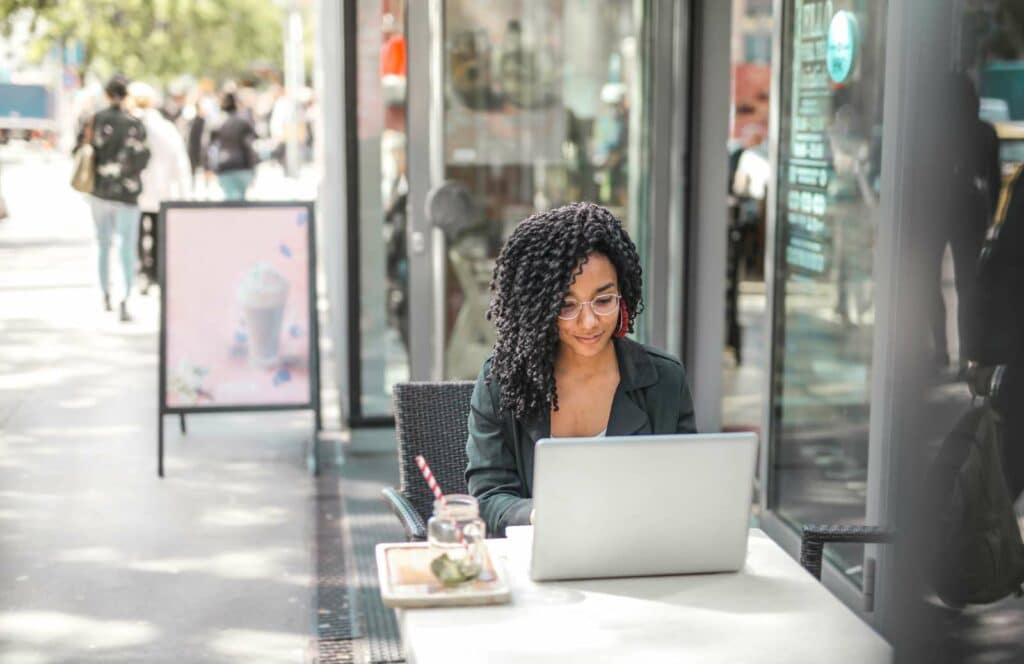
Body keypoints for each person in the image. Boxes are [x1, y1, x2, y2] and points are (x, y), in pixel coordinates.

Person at [464, 202, 697, 536]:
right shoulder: (501, 381)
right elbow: (488, 497)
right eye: (566, 305)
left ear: (623, 296)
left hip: (640, 556)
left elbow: (686, 491)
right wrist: (538, 515)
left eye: (603, 301)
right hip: (537, 562)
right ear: (539, 308)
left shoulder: (664, 380)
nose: (588, 323)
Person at [75, 75, 151, 321]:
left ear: (107, 95)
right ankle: (124, 296)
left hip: (100, 190)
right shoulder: (135, 123)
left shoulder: (95, 119)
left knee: (103, 244)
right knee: (126, 247)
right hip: (127, 193)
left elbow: (81, 149)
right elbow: (143, 157)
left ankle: (105, 292)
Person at [129, 82, 191, 293]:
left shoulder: (130, 123)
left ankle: (141, 271)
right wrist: (184, 192)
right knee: (157, 231)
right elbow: (179, 160)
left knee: (136, 232)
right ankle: (154, 270)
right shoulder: (164, 126)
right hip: (160, 187)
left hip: (134, 189)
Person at [208, 92, 257, 200]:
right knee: (240, 201)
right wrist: (253, 168)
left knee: (230, 201)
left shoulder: (217, 123)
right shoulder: (243, 122)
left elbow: (210, 147)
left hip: (224, 166)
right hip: (242, 165)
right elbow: (249, 146)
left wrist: (209, 167)